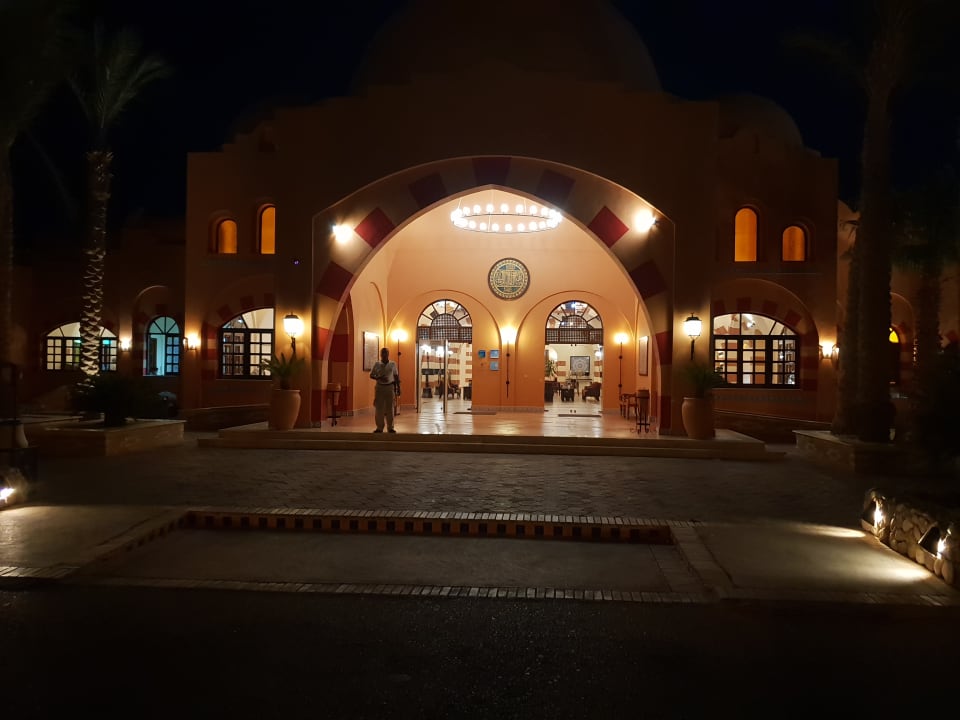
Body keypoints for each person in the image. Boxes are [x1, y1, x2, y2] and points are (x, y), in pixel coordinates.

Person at [369, 346, 399, 433]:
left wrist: (398, 388)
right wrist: (379, 378)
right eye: (383, 353)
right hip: (380, 387)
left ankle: (390, 427)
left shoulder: (393, 364)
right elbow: (371, 375)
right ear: (380, 354)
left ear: (388, 354)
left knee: (390, 408)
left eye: (386, 352)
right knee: (379, 408)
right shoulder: (377, 364)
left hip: (390, 387)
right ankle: (379, 427)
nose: (384, 354)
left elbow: (396, 376)